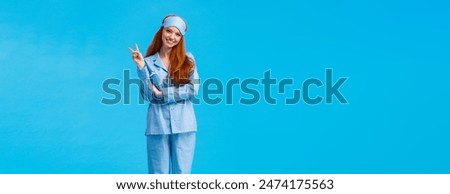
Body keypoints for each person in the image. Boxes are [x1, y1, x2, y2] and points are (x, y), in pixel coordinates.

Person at [128, 15, 199, 174]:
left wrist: (162, 94)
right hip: (157, 125)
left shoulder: (188, 60)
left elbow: (192, 89)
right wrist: (141, 68)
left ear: (181, 38)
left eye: (177, 34)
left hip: (184, 125)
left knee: (182, 175)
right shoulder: (147, 61)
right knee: (157, 176)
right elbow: (147, 95)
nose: (172, 37)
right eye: (169, 31)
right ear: (161, 31)